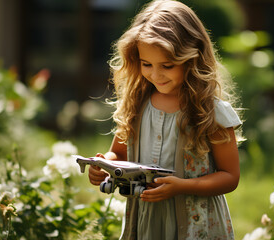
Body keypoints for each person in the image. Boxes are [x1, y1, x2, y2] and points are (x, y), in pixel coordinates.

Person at [88, 0, 243, 239]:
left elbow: (230, 177)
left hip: (196, 226)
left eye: (167, 65)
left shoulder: (211, 112)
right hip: (147, 220)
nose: (155, 74)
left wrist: (183, 186)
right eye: (146, 64)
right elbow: (119, 154)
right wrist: (105, 166)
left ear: (192, 58)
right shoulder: (136, 104)